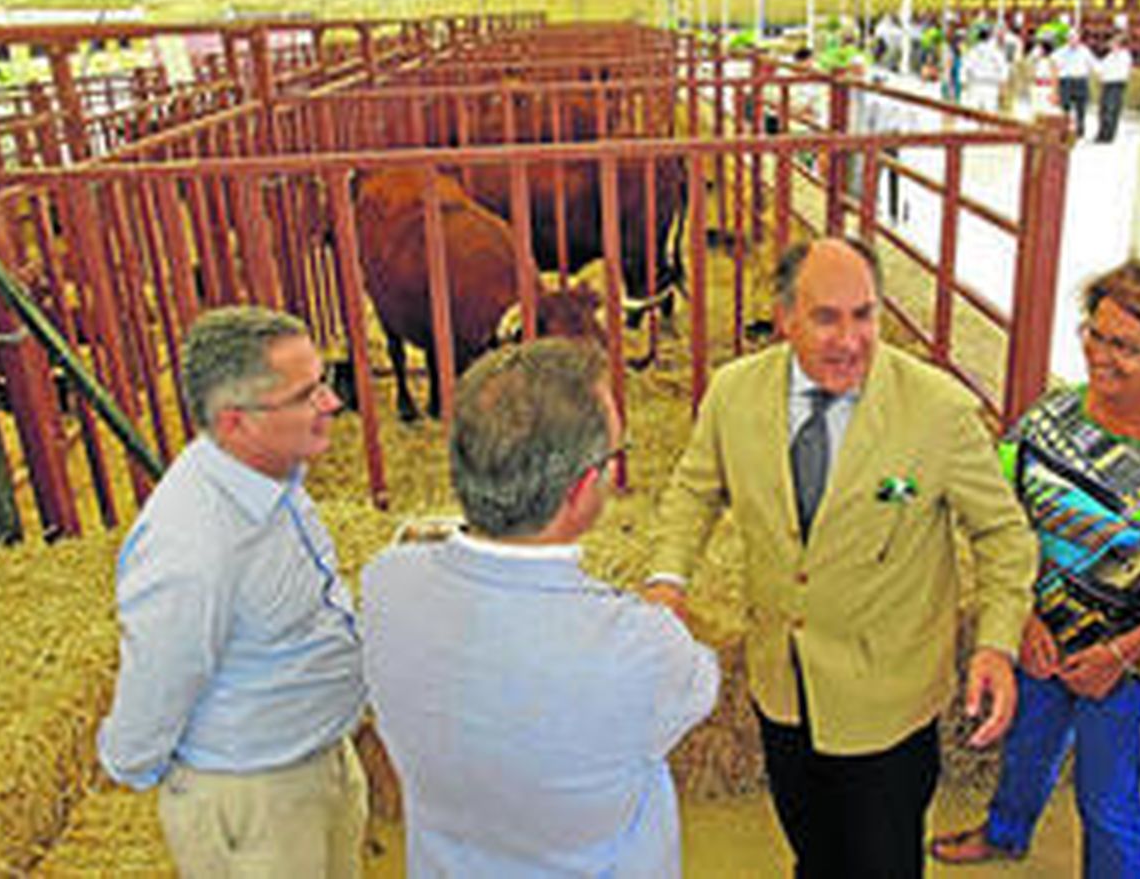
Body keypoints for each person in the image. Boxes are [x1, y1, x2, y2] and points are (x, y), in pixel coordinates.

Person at [645, 237, 1038, 878]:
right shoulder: (733, 394)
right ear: (784, 317)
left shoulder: (938, 410)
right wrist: (667, 578)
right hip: (782, 684)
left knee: (882, 863)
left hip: (888, 699)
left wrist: (996, 643)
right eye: (827, 317)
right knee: (814, 852)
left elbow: (1003, 536)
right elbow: (694, 491)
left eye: (865, 315)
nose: (850, 339)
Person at [361, 339, 719, 878]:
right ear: (580, 491)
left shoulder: (386, 583)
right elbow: (698, 683)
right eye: (613, 457)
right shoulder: (640, 648)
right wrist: (663, 602)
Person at [929, 260, 1140, 879]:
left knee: (1111, 801)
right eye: (1094, 333)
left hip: (1132, 667)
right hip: (1043, 640)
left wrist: (1122, 654)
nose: (1100, 355)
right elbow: (1003, 520)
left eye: (1125, 347)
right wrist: (1025, 615)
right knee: (1026, 751)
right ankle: (1006, 833)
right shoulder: (1047, 418)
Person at [97, 306, 368, 876]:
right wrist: (157, 776)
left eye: (323, 382)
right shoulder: (192, 546)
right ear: (234, 423)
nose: (331, 403)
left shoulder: (272, 474)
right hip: (255, 799)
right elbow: (159, 680)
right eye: (306, 395)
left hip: (318, 758)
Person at [1055, 31, 1099, 140]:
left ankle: (1080, 131)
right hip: (1066, 80)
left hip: (1080, 80)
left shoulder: (1085, 51)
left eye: (1075, 38)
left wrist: (1099, 73)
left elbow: (1093, 63)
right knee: (1065, 106)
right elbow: (1053, 62)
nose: (1073, 41)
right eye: (1070, 38)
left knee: (1081, 107)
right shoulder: (1061, 51)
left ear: (1079, 40)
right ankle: (1063, 129)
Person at [962, 23, 1010, 113]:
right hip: (991, 87)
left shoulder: (973, 50)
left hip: (976, 85)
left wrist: (964, 84)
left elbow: (965, 68)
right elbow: (1004, 69)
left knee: (974, 115)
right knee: (990, 116)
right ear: (990, 35)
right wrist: (1003, 86)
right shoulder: (996, 51)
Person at [1095, 34, 1133, 143]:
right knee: (1103, 109)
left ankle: (1108, 135)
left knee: (1111, 109)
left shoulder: (1124, 56)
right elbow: (1101, 67)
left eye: (1113, 43)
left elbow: (1119, 72)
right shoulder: (1110, 56)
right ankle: (1101, 133)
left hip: (1116, 84)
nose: (1111, 45)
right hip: (1106, 84)